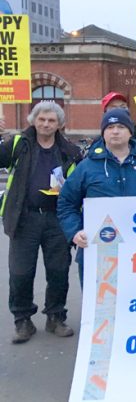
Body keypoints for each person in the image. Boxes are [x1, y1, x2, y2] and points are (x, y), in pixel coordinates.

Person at [58, 109, 136, 286]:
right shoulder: (87, 167)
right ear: (103, 133)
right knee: (103, 306)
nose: (115, 131)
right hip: (100, 250)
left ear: (130, 131)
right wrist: (74, 232)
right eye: (110, 127)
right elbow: (66, 203)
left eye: (121, 126)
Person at [1, 101, 82, 343]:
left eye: (51, 121)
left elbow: (78, 184)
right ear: (33, 120)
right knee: (21, 272)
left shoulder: (70, 150)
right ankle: (23, 320)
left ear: (59, 124)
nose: (46, 124)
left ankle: (55, 316)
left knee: (58, 271)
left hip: (57, 219)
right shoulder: (18, 144)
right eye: (42, 119)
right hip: (24, 218)